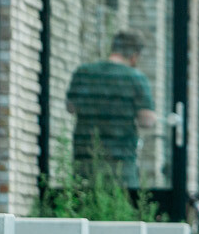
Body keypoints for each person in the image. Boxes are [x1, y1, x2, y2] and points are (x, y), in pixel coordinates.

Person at [65, 30, 158, 188]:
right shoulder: (136, 78)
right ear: (134, 56)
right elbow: (146, 120)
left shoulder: (84, 72)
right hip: (121, 162)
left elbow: (71, 107)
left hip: (85, 156)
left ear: (113, 48)